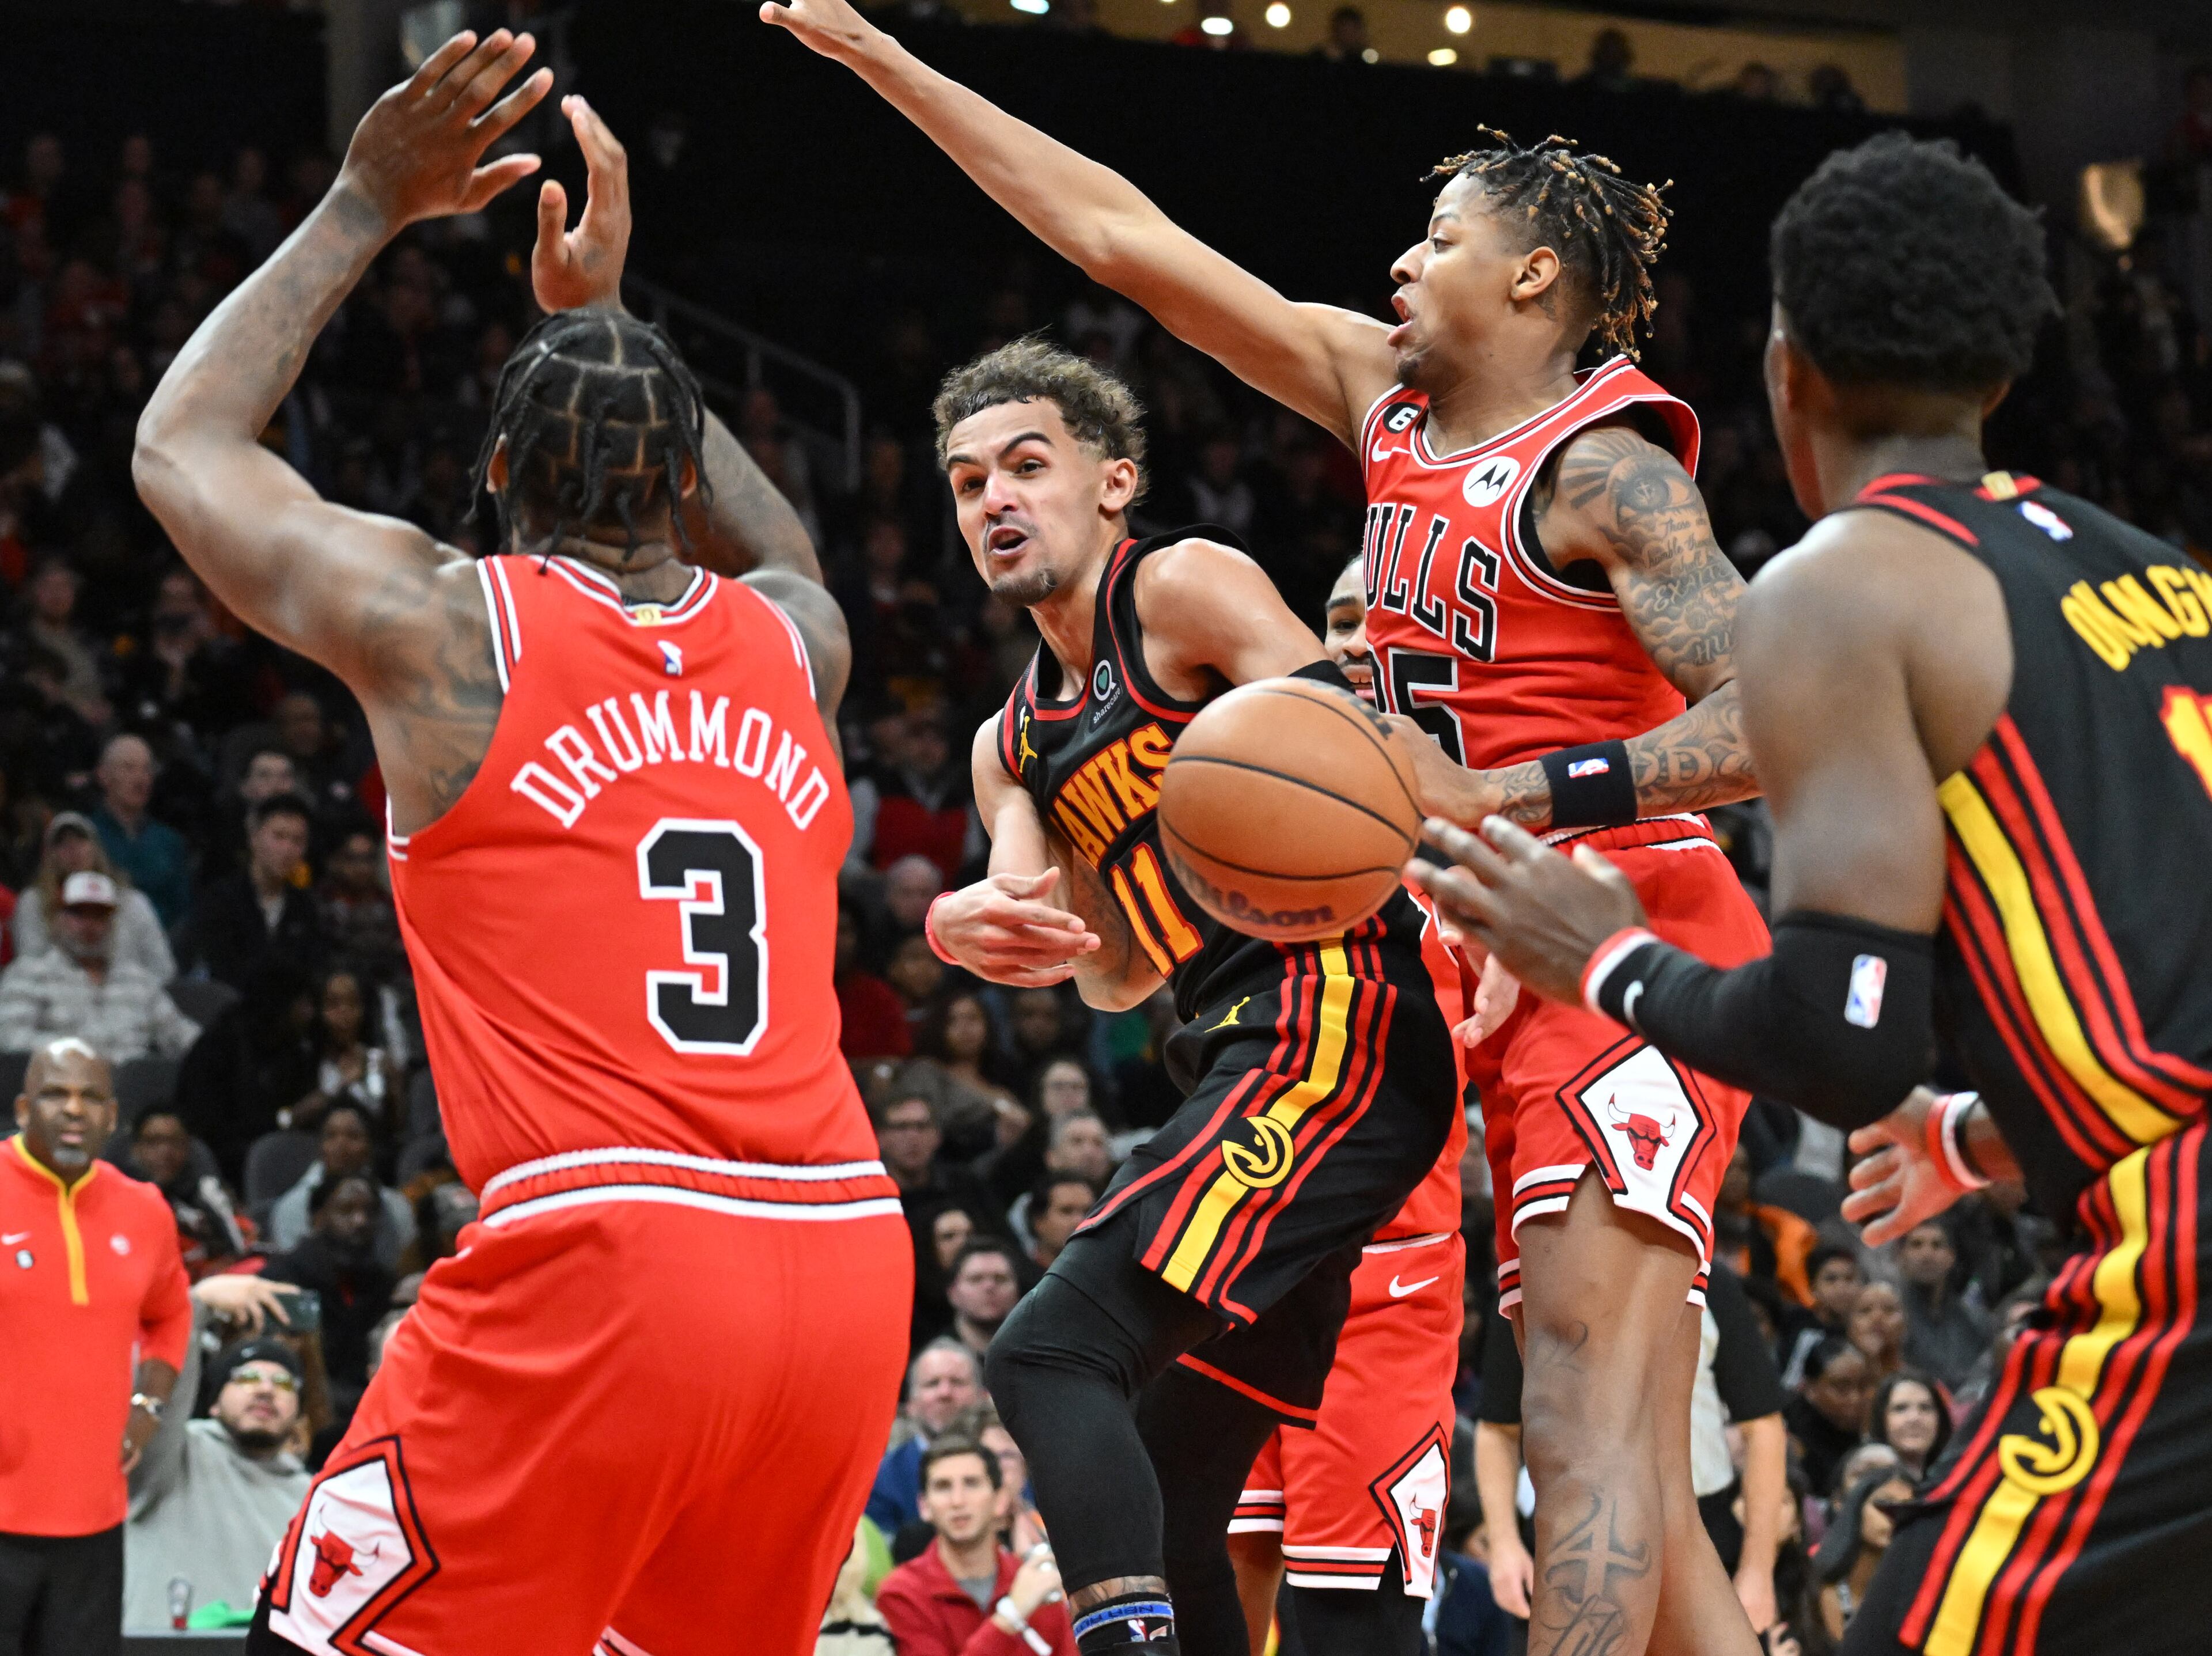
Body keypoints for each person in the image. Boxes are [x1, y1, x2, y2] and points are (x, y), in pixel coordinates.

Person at [764, 15, 1771, 1654]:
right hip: (1464, 939)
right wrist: (887, 63)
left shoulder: (1607, 472)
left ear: (1532, 277)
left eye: (1438, 237)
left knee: (1581, 1410)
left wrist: (1511, 799)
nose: (1400, 262)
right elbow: (1119, 237)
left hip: (1617, 926)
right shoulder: (1380, 401)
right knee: (1633, 1450)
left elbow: (1766, 723)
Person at [133, 51, 908, 1654]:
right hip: (843, 1260)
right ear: (682, 478)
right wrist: (611, 323)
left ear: (493, 474)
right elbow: (782, 543)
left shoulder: (450, 630)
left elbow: (181, 446)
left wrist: (365, 202)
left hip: (610, 1253)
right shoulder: (796, 640)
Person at [1410, 132, 2212, 1656]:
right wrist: (1968, 1137)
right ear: (2003, 369)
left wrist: (1613, 962)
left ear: (1790, 371)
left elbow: (1847, 1042)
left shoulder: (1844, 582)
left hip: (2178, 1254)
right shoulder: (2162, 574)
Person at [908, 334, 1456, 1656]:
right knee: (1164, 1483)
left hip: (1337, 1012)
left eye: (1027, 466)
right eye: (969, 481)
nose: (995, 499)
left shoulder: (1181, 588)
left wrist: (1260, 804)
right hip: (1232, 1049)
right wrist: (967, 925)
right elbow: (1106, 969)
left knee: (1046, 1355)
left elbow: (1370, 763)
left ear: (1114, 482)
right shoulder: (1008, 746)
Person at [1223, 541, 1472, 1655]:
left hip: (1383, 1273)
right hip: (1235, 1254)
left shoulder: (1483, 819)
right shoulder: (1245, 804)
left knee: (1344, 1620)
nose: (1357, 639)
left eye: (1384, 614)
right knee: (1210, 1578)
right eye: (1336, 618)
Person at [0, 1039, 191, 1656]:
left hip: (94, 1520)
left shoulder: (145, 1209)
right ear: (23, 1108)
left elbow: (172, 1312)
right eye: (56, 1094)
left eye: (90, 1097)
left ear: (113, 1116)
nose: (74, 1110)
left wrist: (149, 1404)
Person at [123, 1275, 311, 1631]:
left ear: (300, 1413)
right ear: (213, 1404)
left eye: (283, 1383)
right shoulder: (172, 1459)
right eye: (246, 1378)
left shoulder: (312, 1499)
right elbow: (148, 1398)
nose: (266, 1390)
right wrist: (194, 1306)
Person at [874, 1437, 1077, 1656]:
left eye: (972, 1483)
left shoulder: (1034, 1583)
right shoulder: (902, 1593)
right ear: (924, 1507)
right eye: (943, 1487)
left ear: (1000, 1501)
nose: (958, 1501)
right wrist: (1010, 1616)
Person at [0, 871, 200, 1064]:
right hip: (63, 1080)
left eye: (100, 915)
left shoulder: (138, 981)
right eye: (79, 913)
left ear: (113, 923)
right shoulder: (29, 974)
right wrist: (77, 1053)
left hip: (131, 1083)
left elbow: (181, 1036)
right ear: (58, 919)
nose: (90, 925)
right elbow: (9, 1037)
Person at [178, 793, 324, 994]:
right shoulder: (221, 900)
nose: (287, 849)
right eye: (279, 837)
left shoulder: (305, 907)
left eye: (297, 841)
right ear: (254, 838)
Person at [14, 810, 175, 982]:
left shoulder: (132, 902)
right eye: (61, 843)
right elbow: (29, 963)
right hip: (55, 993)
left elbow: (163, 969)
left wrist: (129, 988)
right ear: (48, 855)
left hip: (128, 993)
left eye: (80, 839)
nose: (72, 849)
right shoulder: (33, 902)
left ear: (96, 847)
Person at [265, 1101, 416, 1271]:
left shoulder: (397, 1208)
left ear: (370, 1146)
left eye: (353, 1136)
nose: (341, 1145)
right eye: (331, 1136)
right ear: (320, 1147)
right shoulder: (292, 1207)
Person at [867, 1340, 987, 1535]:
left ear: (983, 1397)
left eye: (957, 1382)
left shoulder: (1011, 1465)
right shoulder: (881, 1480)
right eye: (933, 1384)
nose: (945, 1393)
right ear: (910, 1405)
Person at [122, 1108, 248, 1278]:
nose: (166, 1151)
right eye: (154, 1142)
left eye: (175, 1141)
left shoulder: (209, 1192)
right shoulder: (121, 1202)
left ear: (188, 1147)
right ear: (136, 1149)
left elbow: (243, 1247)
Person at [89, 734, 192, 931]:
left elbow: (183, 911)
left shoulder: (169, 841)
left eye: (147, 770)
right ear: (103, 775)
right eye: (129, 768)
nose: (141, 779)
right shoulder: (87, 837)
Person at [1812, 1474, 1913, 1643]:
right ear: (1857, 1508)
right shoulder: (1816, 1585)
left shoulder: (1912, 1598)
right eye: (1883, 1504)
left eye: (1906, 1510)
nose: (1893, 1516)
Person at [1893, 1221, 1990, 1392]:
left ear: (1951, 1257)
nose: (1927, 1255)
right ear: (1900, 1256)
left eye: (1937, 1245)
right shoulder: (1891, 1319)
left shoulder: (1975, 1321)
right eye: (1917, 1245)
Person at [1783, 1338, 1870, 1503]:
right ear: (1810, 1388)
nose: (1855, 1398)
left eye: (1863, 1386)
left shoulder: (1871, 1430)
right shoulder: (1787, 1431)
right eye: (1841, 1387)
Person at [1781, 1245, 1866, 1387]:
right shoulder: (1803, 1336)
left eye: (1849, 1279)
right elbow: (1790, 1387)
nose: (1841, 1288)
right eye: (1831, 1279)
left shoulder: (1866, 1329)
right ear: (1813, 1288)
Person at [945, 1236, 1024, 1357]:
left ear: (1017, 1290)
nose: (990, 1287)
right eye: (976, 1279)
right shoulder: (936, 1358)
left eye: (1000, 1279)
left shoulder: (1036, 1353)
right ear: (953, 1293)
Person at [1864, 1373, 1949, 1485]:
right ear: (1881, 1418)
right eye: (1900, 1408)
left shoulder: (1954, 1477)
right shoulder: (1863, 1474)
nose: (1914, 1418)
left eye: (1925, 1408)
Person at [1028, 1170, 1098, 1270]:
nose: (1080, 1221)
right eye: (1067, 1211)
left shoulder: (1111, 1274)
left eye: (1088, 1211)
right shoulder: (1015, 1276)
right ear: (1039, 1221)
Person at [1844, 1282, 1905, 1386]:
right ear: (1850, 1327)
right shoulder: (1831, 1379)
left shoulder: (1918, 1384)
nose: (1877, 1317)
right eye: (1865, 1310)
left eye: (1889, 1309)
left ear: (1904, 1325)